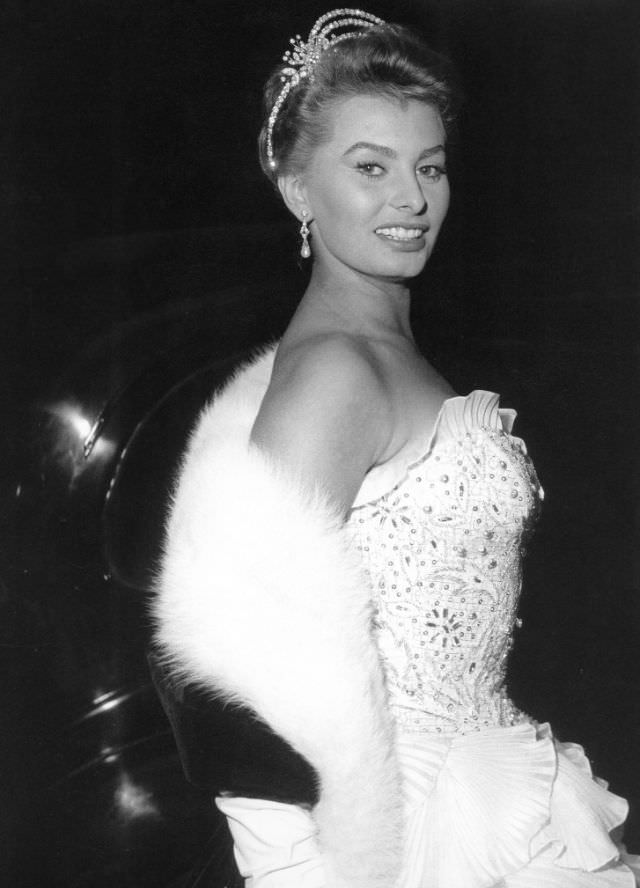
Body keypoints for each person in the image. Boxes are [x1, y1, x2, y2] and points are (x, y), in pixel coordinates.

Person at [152, 9, 639, 888]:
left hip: (492, 777)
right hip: (418, 833)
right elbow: (245, 681)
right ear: (299, 190)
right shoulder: (336, 371)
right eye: (369, 168)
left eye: (430, 167)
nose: (410, 199)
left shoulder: (388, 352)